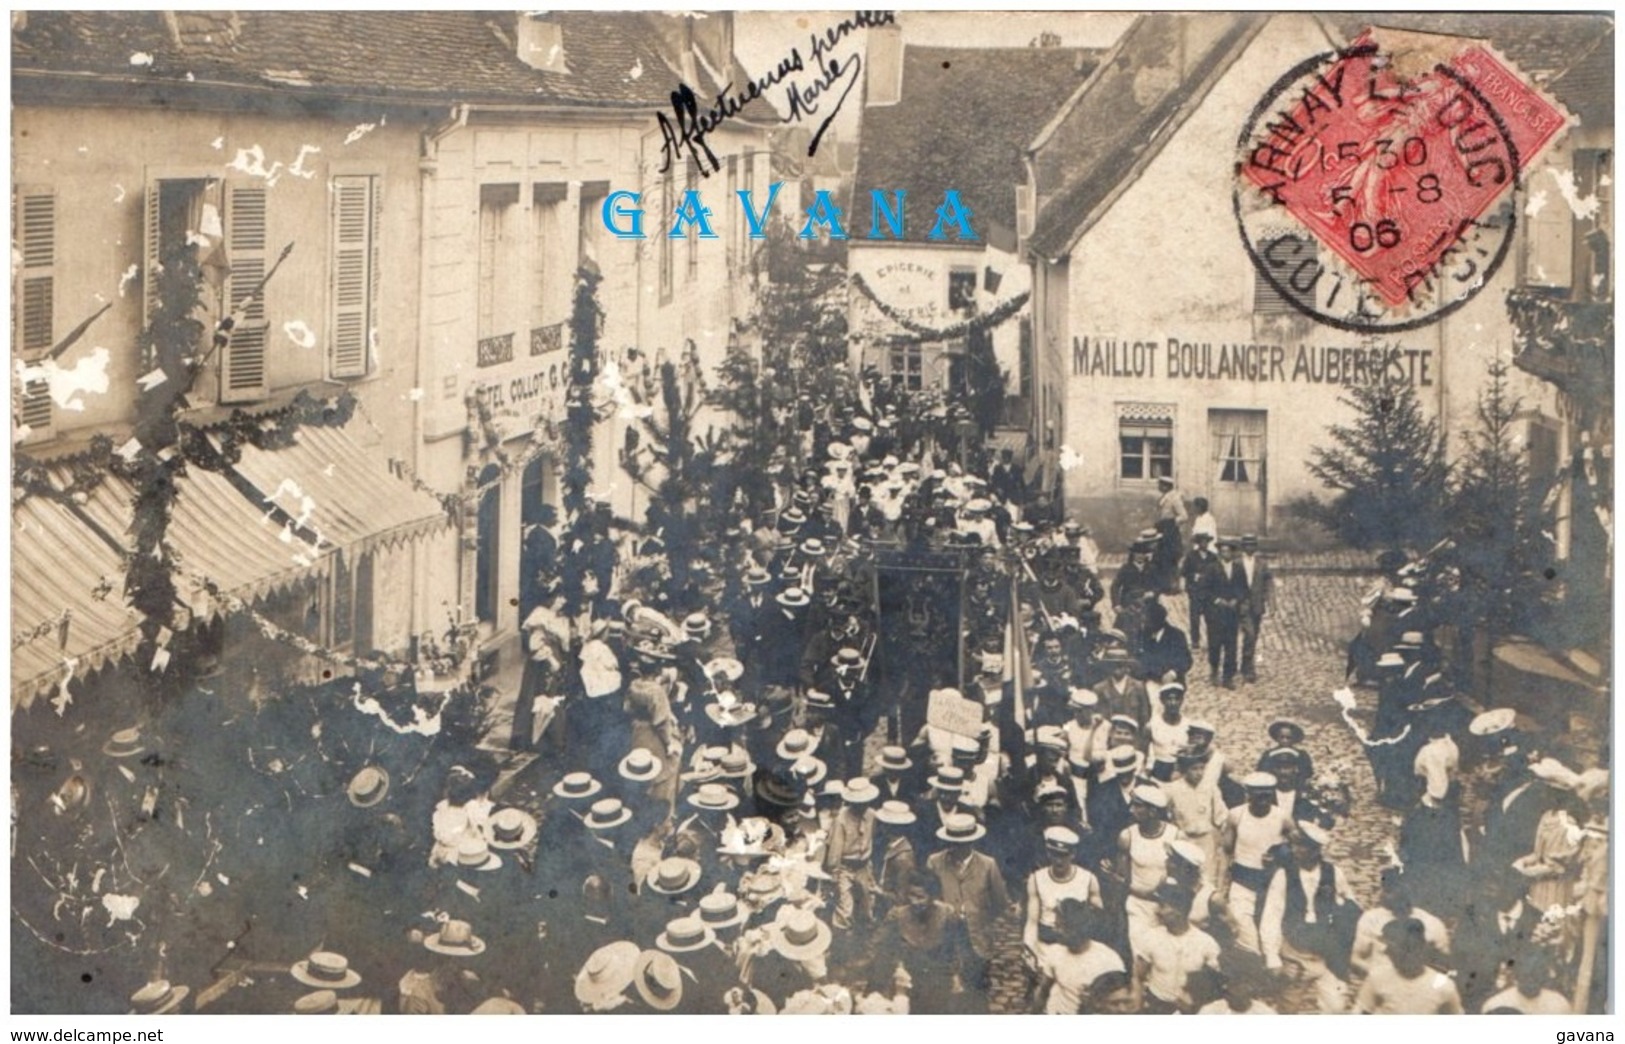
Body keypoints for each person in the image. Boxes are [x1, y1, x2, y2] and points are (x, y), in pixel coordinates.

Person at [1257, 822, 1360, 1013]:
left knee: (1336, 1006)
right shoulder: (1284, 875)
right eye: (1294, 845)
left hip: (1327, 954)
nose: (1295, 850)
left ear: (1315, 850)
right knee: (1288, 1007)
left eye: (1301, 846)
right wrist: (1273, 958)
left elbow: (1351, 906)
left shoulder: (1333, 873)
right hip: (1296, 954)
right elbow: (1272, 915)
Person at [1218, 772, 1296, 958]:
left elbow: (1297, 847)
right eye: (1258, 796)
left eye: (1267, 795)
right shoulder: (1236, 815)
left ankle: (1271, 965)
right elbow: (1226, 851)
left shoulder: (1282, 817)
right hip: (1243, 877)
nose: (1263, 801)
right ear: (1248, 795)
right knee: (1242, 925)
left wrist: (1280, 855)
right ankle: (1250, 966)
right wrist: (1221, 884)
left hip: (1271, 881)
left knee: (1270, 928)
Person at [1132, 879, 1221, 1013]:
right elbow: (1138, 976)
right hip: (1156, 1007)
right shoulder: (1151, 937)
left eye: (1163, 906)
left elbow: (1214, 985)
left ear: (1179, 910)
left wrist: (1195, 1001)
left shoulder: (1206, 943)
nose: (1158, 911)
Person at [1032, 899, 1126, 1014]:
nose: (1055, 930)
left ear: (1075, 930)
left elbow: (1116, 1007)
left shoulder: (1109, 961)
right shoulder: (1055, 951)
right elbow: (1043, 990)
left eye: (1060, 926)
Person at [1354, 918, 1464, 1014]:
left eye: (1393, 947)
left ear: (1413, 948)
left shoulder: (1443, 986)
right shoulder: (1377, 978)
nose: (1386, 951)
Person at [1479, 949, 1572, 1014]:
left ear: (1544, 976)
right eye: (1526, 974)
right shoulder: (1496, 1004)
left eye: (1536, 974)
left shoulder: (1559, 1005)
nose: (1531, 980)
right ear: (1516, 974)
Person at [1234, 534, 1273, 684]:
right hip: (1241, 604)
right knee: (1249, 634)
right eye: (1247, 545)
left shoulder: (1262, 564)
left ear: (1255, 547)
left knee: (1253, 635)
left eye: (1252, 545)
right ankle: (1248, 667)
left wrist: (1272, 604)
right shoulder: (1237, 563)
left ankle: (1246, 663)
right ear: (1243, 547)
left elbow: (1269, 584)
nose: (1250, 547)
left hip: (1257, 605)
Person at [1205, 538, 1243, 688]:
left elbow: (1243, 588)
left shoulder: (1238, 569)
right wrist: (1217, 600)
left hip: (1231, 613)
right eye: (1222, 551)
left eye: (1228, 551)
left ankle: (1228, 676)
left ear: (1232, 553)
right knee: (1214, 644)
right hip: (1216, 613)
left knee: (1231, 645)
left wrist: (1236, 600)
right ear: (1219, 553)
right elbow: (1205, 590)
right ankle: (1214, 671)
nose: (1225, 554)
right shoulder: (1211, 568)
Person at [1180, 532, 1218, 650]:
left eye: (1206, 542)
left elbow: (1218, 572)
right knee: (1195, 618)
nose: (1204, 544)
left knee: (1210, 617)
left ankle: (1212, 640)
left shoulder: (1213, 557)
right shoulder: (1191, 556)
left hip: (1209, 592)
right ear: (1198, 543)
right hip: (1195, 591)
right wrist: (1193, 576)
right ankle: (1195, 640)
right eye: (1202, 542)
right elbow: (1184, 572)